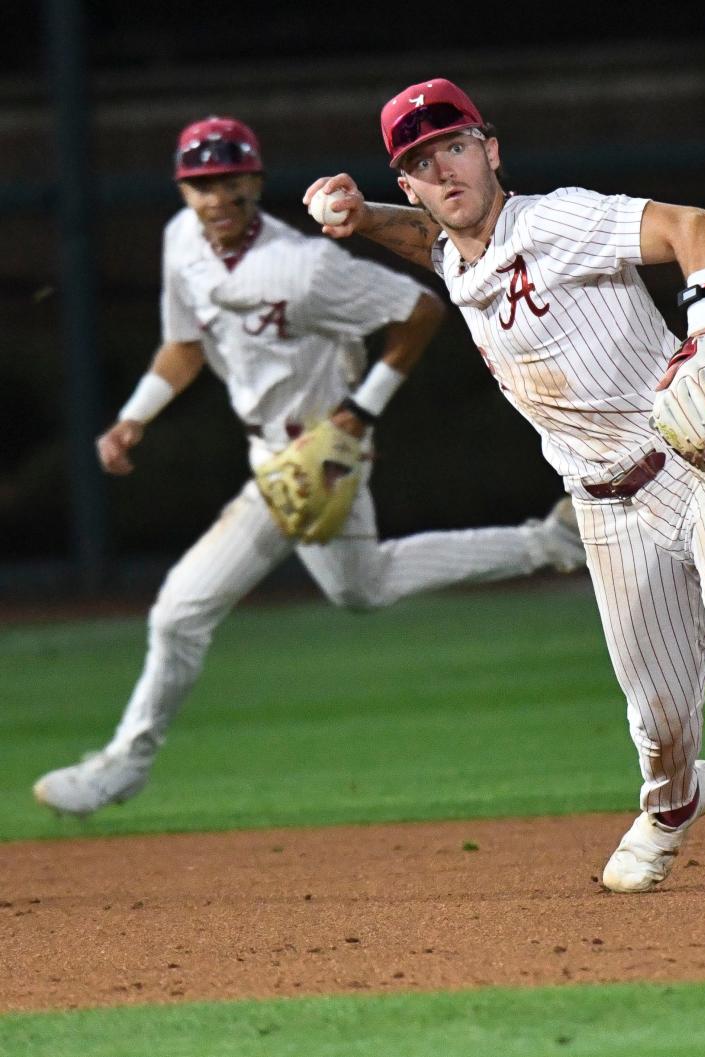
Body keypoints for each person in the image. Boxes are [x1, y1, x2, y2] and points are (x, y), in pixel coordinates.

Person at [302, 78, 705, 893]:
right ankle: (673, 805)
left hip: (701, 458)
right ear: (409, 184)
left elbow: (700, 227)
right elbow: (434, 241)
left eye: (456, 146)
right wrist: (363, 222)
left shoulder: (557, 220)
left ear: (491, 149)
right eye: (423, 162)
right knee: (659, 712)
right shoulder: (452, 252)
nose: (446, 170)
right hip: (604, 508)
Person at [33, 115, 585, 817]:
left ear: (255, 181)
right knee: (362, 585)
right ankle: (554, 541)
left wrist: (359, 413)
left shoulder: (306, 265)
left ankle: (124, 764)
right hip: (271, 456)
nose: (218, 197)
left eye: (231, 180)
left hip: (323, 457)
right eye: (202, 184)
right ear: (183, 188)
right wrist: (135, 416)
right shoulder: (183, 244)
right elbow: (184, 346)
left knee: (179, 611)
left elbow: (418, 309)